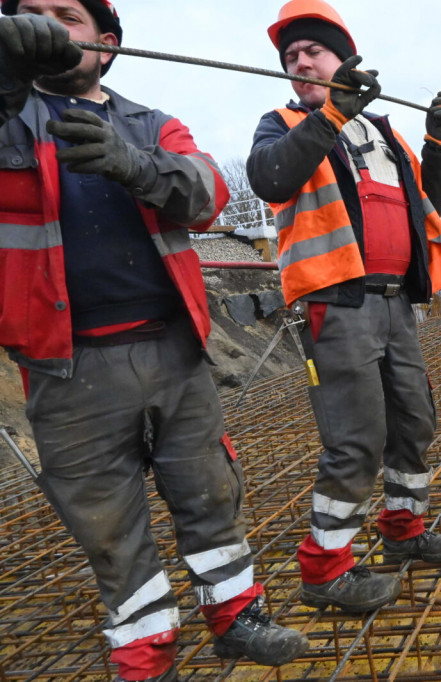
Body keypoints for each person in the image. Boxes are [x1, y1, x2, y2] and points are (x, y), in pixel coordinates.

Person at [0, 1, 308, 680]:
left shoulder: (150, 124)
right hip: (66, 362)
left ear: (106, 44)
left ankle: (235, 614)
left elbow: (209, 194)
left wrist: (136, 165)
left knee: (208, 490)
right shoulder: (7, 117)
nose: (46, 24)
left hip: (173, 347)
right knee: (107, 521)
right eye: (29, 13)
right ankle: (144, 651)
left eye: (64, 14)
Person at [247, 0, 441, 615]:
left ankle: (403, 532)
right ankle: (324, 569)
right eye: (290, 58)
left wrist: (438, 145)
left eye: (311, 52)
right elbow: (269, 178)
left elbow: (426, 202)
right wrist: (330, 113)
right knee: (356, 439)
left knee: (414, 421)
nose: (299, 63)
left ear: (344, 56)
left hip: (396, 303)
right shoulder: (282, 123)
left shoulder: (382, 133)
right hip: (336, 305)